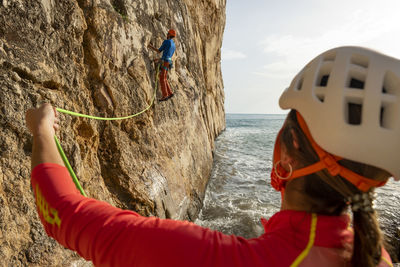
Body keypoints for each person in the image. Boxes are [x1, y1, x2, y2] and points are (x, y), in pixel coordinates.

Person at [26, 46, 399, 267]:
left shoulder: (215, 258)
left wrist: (42, 130)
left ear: (288, 150)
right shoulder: (375, 256)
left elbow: (64, 214)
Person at [148, 29, 176, 101]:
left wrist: (150, 46)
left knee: (162, 78)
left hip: (165, 61)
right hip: (169, 62)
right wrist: (159, 59)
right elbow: (168, 54)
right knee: (164, 78)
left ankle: (165, 95)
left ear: (169, 35)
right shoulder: (173, 44)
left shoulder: (166, 42)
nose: (167, 34)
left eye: (167, 33)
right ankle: (170, 92)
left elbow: (159, 51)